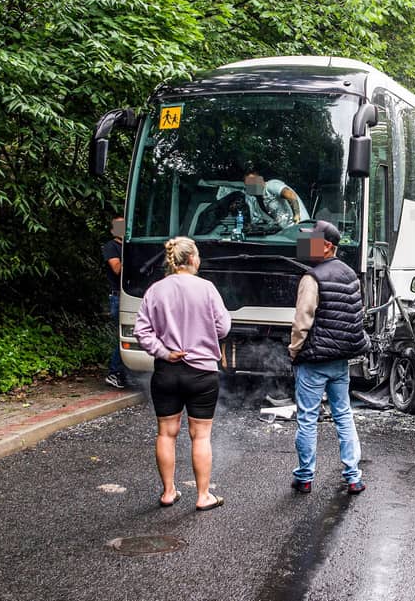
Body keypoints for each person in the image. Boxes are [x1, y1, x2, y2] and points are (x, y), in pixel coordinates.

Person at [134, 237, 231, 511]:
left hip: (167, 371)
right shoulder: (207, 288)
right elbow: (223, 328)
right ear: (191, 259)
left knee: (166, 433)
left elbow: (142, 332)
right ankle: (203, 496)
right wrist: (204, 333)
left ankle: (168, 492)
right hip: (202, 373)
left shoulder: (155, 290)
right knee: (200, 435)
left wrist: (164, 352)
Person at [288, 220, 368, 495]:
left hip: (313, 360)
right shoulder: (350, 274)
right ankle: (353, 476)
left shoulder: (312, 278)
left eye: (311, 240)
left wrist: (294, 350)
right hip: (340, 361)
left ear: (326, 246)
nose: (305, 245)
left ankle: (305, 476)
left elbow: (302, 321)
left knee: (308, 418)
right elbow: (355, 315)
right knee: (343, 415)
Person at [102, 216, 128, 389]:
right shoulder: (111, 247)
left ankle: (123, 372)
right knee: (122, 337)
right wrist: (131, 256)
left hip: (129, 294)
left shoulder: (128, 246)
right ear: (113, 231)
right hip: (118, 297)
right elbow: (117, 269)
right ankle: (114, 372)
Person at [243, 170, 309, 227]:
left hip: (300, 225)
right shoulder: (259, 200)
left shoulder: (271, 185)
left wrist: (297, 215)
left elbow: (291, 195)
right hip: (286, 230)